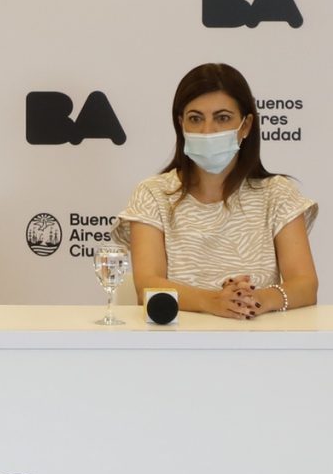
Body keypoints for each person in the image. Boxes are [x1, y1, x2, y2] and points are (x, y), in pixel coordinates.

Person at [117, 62, 319, 320]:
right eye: (195, 119)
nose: (207, 130)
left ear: (245, 125)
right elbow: (147, 287)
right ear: (181, 124)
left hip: (257, 338)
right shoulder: (152, 194)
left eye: (222, 118)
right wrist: (213, 301)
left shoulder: (278, 193)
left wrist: (255, 299)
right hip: (176, 340)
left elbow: (305, 285)